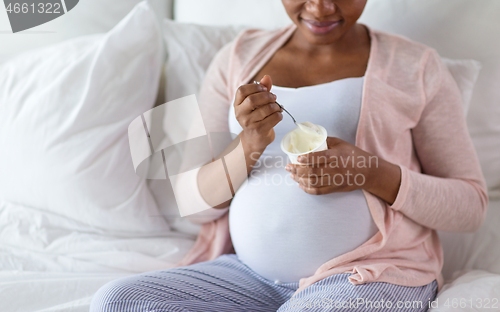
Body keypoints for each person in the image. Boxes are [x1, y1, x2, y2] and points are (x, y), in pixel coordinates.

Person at [90, 0, 488, 311]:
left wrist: (370, 172)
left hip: (368, 277)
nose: (320, 8)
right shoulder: (237, 57)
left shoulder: (417, 67)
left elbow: (470, 206)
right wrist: (248, 144)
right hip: (249, 279)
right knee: (117, 302)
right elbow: (193, 204)